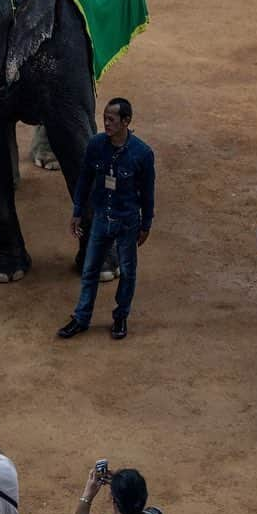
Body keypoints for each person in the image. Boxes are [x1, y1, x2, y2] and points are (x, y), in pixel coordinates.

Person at [58, 98, 155, 341]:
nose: (106, 123)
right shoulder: (95, 145)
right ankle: (81, 318)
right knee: (90, 270)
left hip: (127, 222)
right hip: (101, 218)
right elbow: (84, 180)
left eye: (112, 119)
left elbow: (148, 193)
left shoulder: (142, 154)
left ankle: (121, 316)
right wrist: (78, 211)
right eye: (105, 118)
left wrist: (146, 224)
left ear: (126, 121)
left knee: (129, 273)